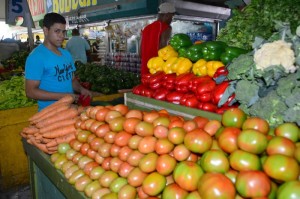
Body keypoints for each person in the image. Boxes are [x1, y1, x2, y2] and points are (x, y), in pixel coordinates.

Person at [25, 12, 92, 111]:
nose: (62, 36)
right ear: (46, 30)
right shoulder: (36, 57)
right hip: (49, 115)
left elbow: (72, 80)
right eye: (57, 31)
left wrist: (81, 89)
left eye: (63, 32)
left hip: (70, 110)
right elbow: (30, 91)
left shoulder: (66, 54)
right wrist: (62, 96)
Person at [140, 2, 176, 76]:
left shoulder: (146, 28)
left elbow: (140, 54)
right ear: (167, 15)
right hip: (158, 72)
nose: (171, 20)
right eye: (172, 17)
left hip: (145, 71)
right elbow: (164, 51)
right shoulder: (165, 28)